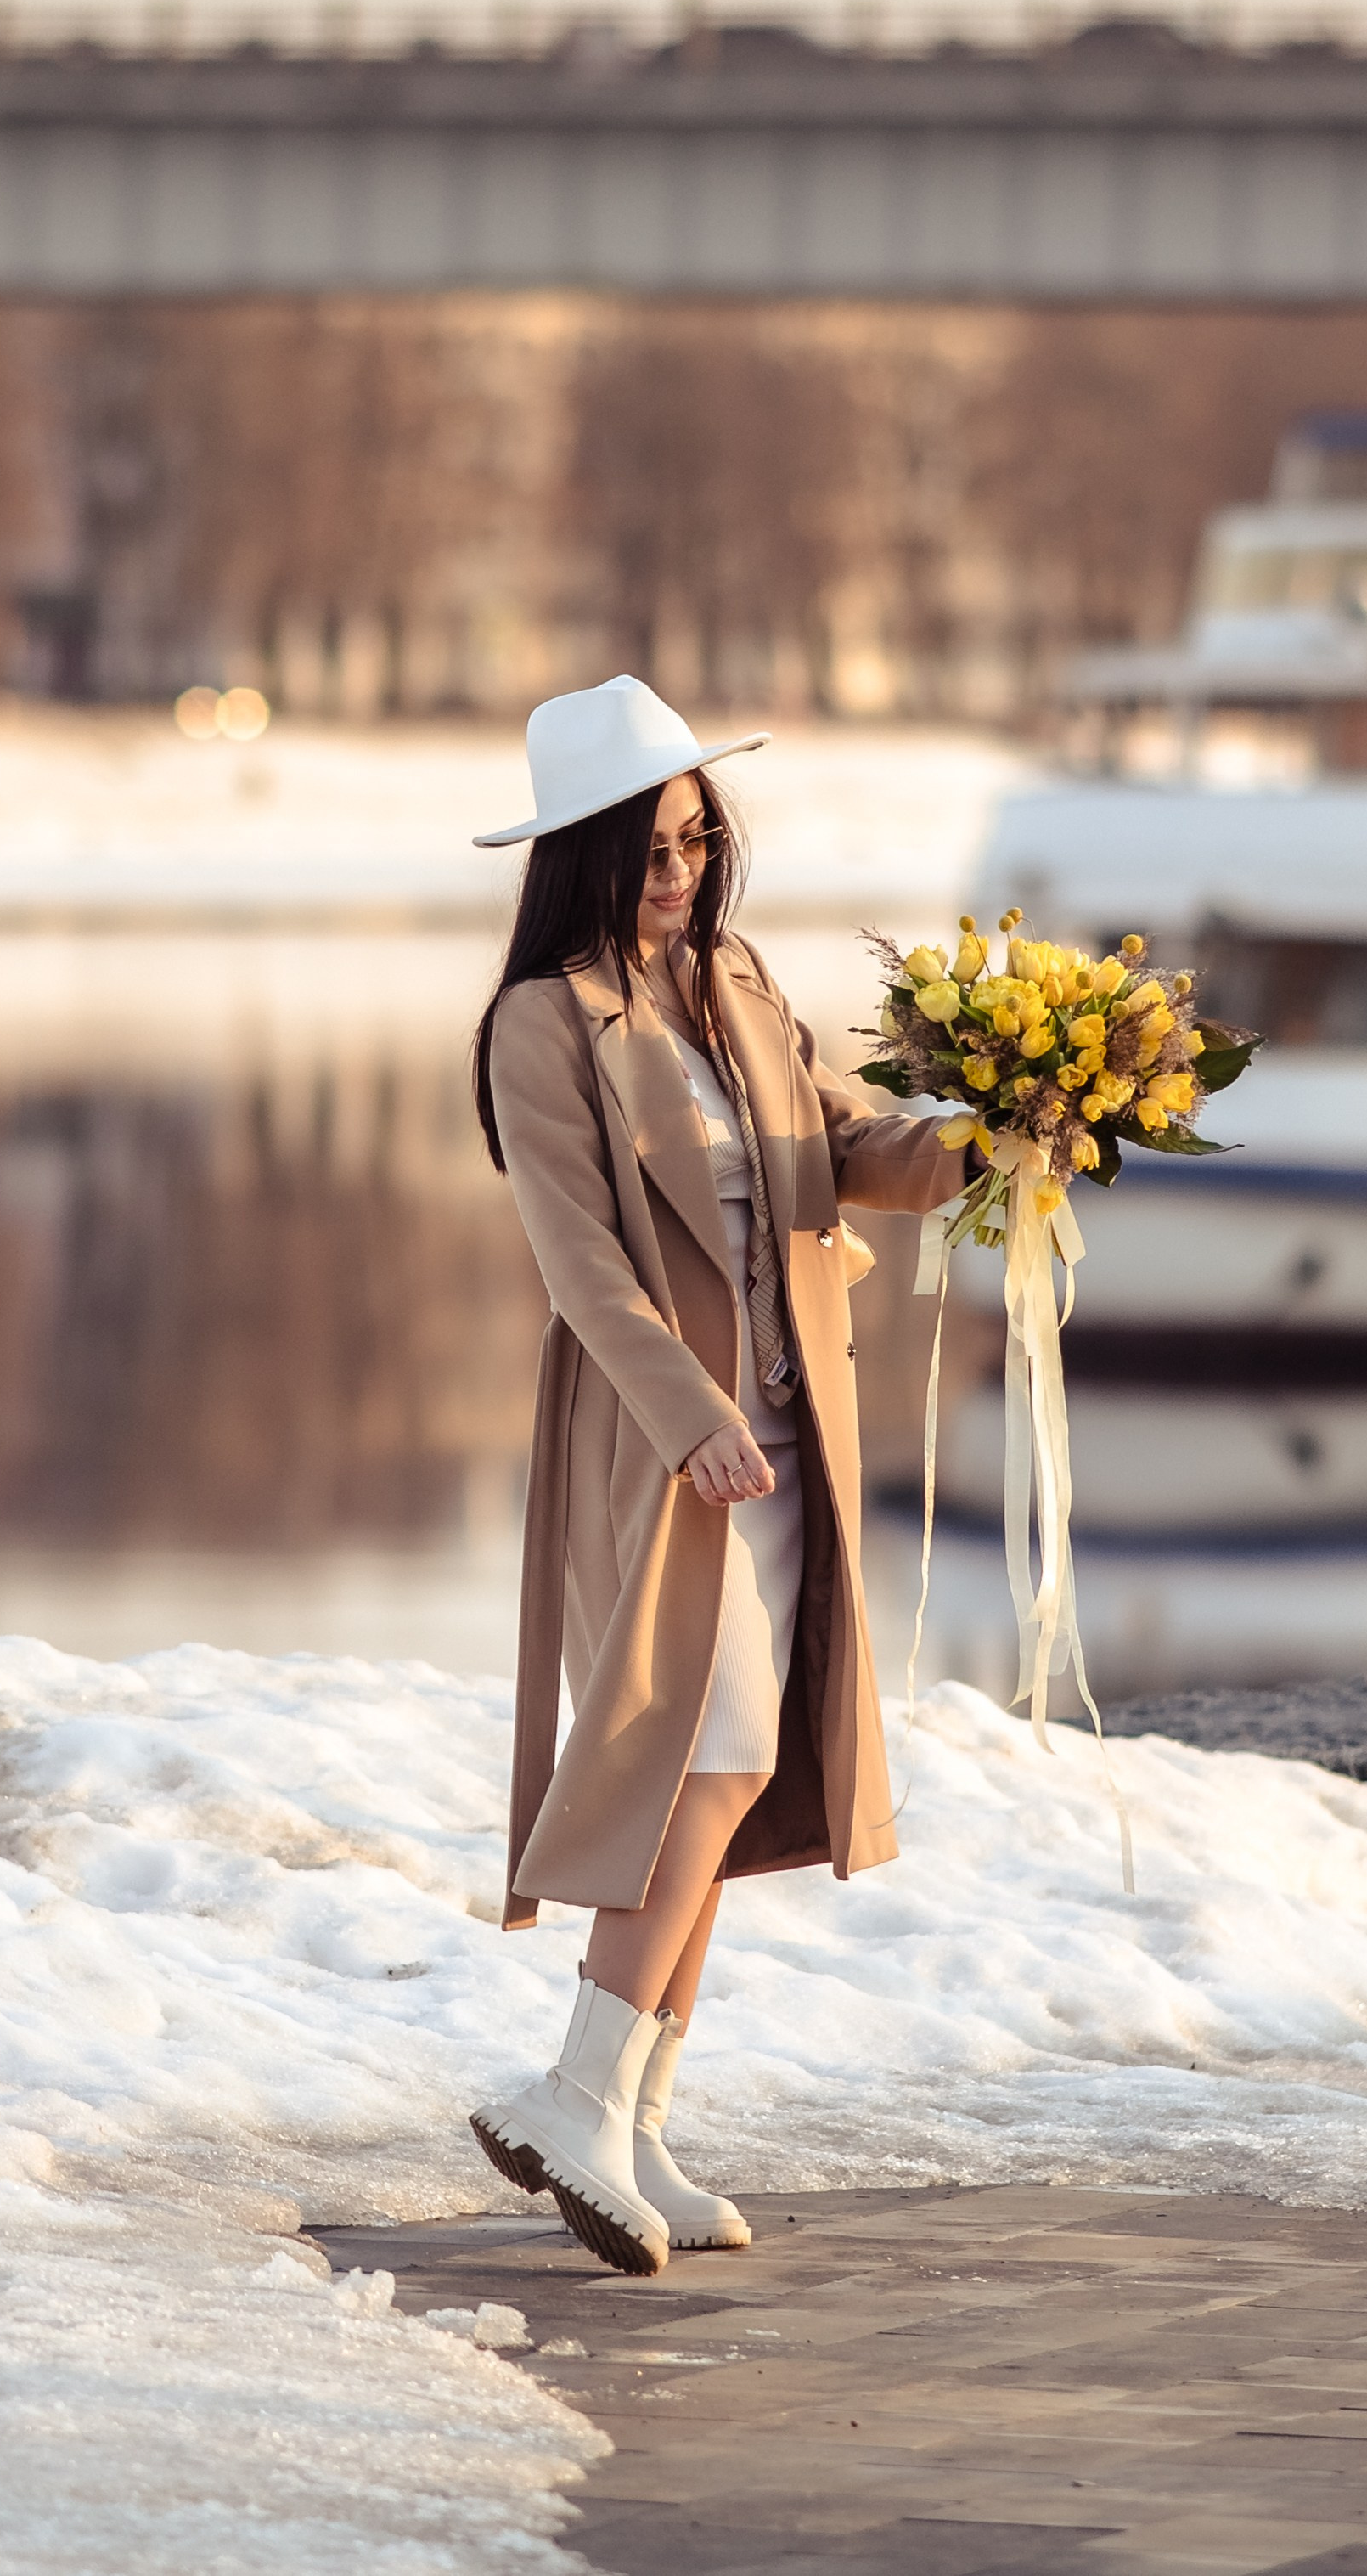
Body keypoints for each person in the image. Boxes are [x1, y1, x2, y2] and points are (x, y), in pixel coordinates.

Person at [465, 676, 965, 2277]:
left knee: (737, 1768)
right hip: (666, 1439)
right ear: (581, 856)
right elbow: (582, 1266)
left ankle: (639, 2121)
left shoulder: (733, 981)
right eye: (646, 845)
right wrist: (688, 1416)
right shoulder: (545, 1025)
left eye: (695, 837)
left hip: (790, 1422)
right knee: (703, 1750)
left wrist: (1008, 1124)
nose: (678, 869)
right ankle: (574, 2093)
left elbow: (844, 1148)